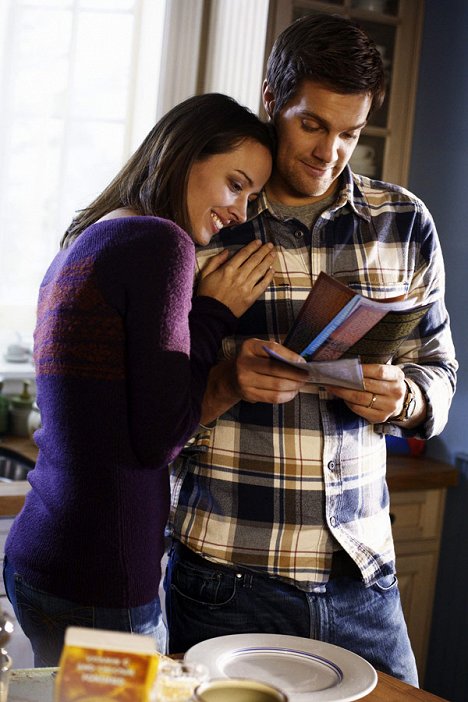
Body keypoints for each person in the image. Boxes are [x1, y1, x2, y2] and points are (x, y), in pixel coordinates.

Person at [164, 15, 458, 686]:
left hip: (363, 580)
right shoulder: (212, 213)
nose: (331, 153)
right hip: (225, 580)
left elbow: (440, 370)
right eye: (314, 126)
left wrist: (405, 397)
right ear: (271, 100)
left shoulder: (405, 222)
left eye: (350, 134)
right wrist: (221, 380)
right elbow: (143, 402)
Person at [3, 92, 281, 667]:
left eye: (252, 196)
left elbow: (116, 417)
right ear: (185, 154)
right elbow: (159, 437)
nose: (240, 210)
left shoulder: (91, 238)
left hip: (39, 555)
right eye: (235, 184)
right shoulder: (162, 243)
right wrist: (214, 311)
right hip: (105, 584)